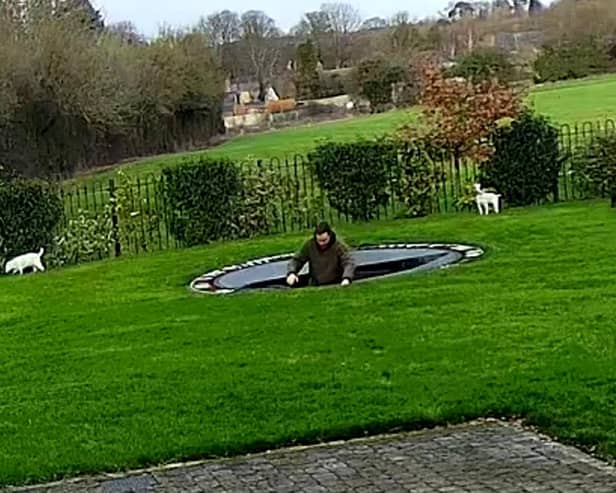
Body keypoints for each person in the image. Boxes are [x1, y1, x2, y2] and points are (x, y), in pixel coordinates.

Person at [286, 222, 355, 288]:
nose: (321, 243)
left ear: (330, 236)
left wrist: (346, 278)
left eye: (324, 240)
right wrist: (292, 273)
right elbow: (297, 260)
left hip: (335, 282)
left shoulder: (338, 246)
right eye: (319, 240)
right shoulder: (310, 245)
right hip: (316, 283)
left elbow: (348, 262)